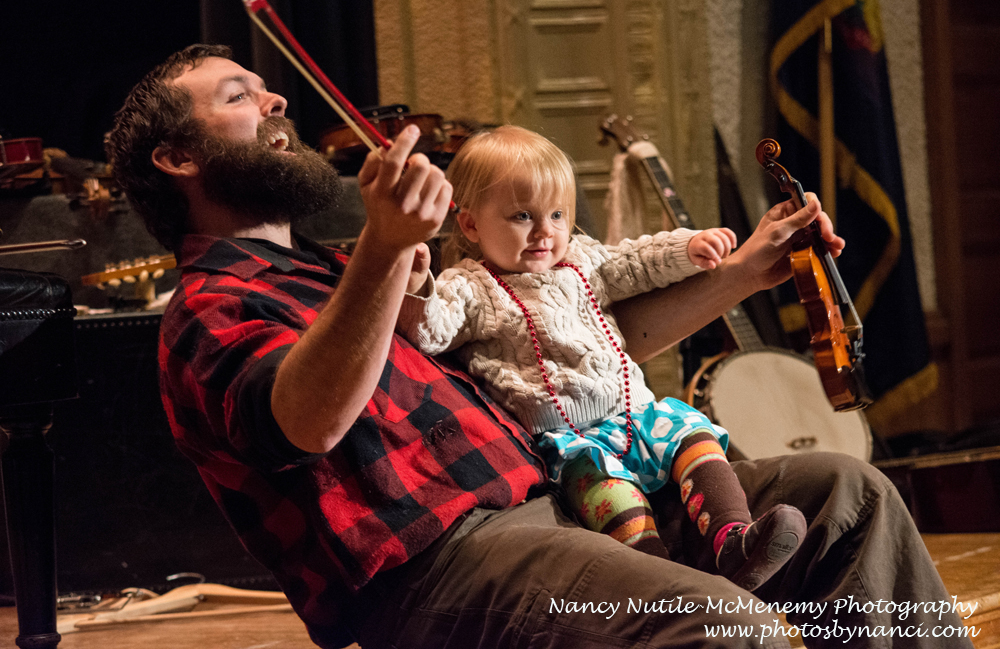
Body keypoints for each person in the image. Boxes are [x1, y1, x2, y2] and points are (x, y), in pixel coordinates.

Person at [106, 44, 973, 649]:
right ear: (178, 156)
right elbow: (305, 422)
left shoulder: (335, 273)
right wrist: (380, 252)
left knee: (846, 494)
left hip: (567, 488)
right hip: (445, 566)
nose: (275, 100)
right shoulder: (211, 305)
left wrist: (744, 273)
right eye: (237, 96)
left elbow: (566, 354)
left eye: (266, 86)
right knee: (726, 627)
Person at [395, 126, 806, 592]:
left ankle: (734, 541)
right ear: (470, 225)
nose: (545, 231)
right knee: (611, 495)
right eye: (522, 216)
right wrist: (415, 280)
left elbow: (637, 261)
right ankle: (660, 577)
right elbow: (429, 332)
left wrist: (689, 249)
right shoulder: (470, 286)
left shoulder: (582, 260)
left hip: (636, 415)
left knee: (696, 438)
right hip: (569, 444)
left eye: (557, 214)